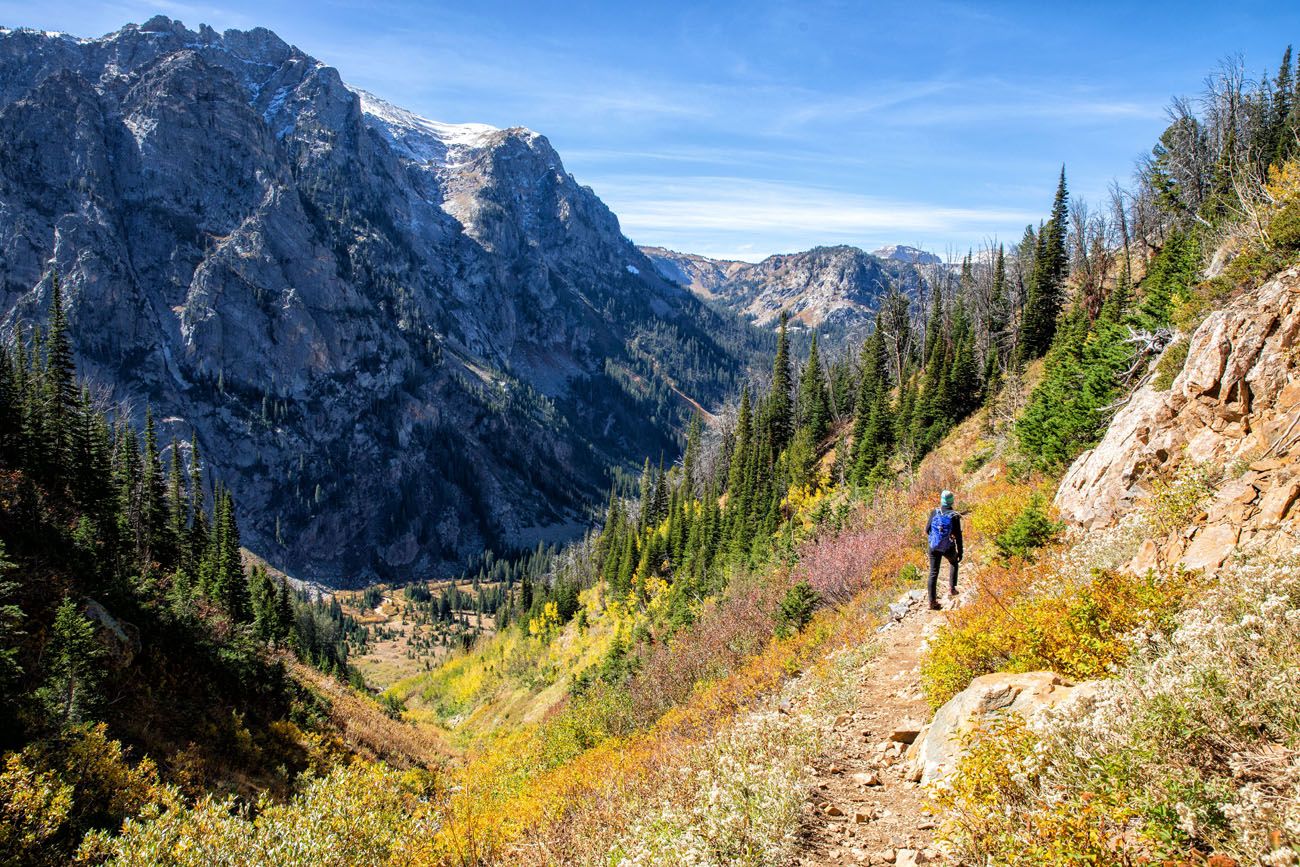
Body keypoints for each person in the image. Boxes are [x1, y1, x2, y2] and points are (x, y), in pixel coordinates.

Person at [924, 489, 963, 610]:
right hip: (947, 547)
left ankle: (932, 602)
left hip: (933, 547)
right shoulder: (954, 516)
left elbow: (927, 530)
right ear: (952, 501)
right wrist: (960, 551)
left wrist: (934, 538)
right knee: (954, 562)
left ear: (941, 500)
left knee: (933, 573)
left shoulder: (935, 512)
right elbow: (958, 536)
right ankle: (952, 588)